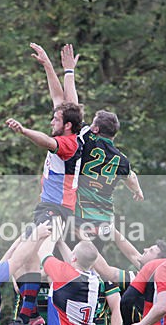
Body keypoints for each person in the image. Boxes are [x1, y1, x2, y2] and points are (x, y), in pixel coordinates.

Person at [0, 42, 84, 325]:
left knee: (31, 257)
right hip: (50, 208)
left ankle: (14, 300)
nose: (51, 120)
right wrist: (54, 66)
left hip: (57, 210)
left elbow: (47, 142)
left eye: (55, 120)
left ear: (68, 126)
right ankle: (28, 314)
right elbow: (63, 99)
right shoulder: (73, 125)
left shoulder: (69, 143)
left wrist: (24, 131)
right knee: (30, 260)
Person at [59, 43, 144, 252]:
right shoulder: (121, 159)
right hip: (103, 222)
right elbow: (131, 177)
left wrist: (69, 71)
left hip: (80, 217)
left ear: (95, 129)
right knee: (93, 265)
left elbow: (72, 104)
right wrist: (138, 191)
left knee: (67, 262)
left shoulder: (87, 137)